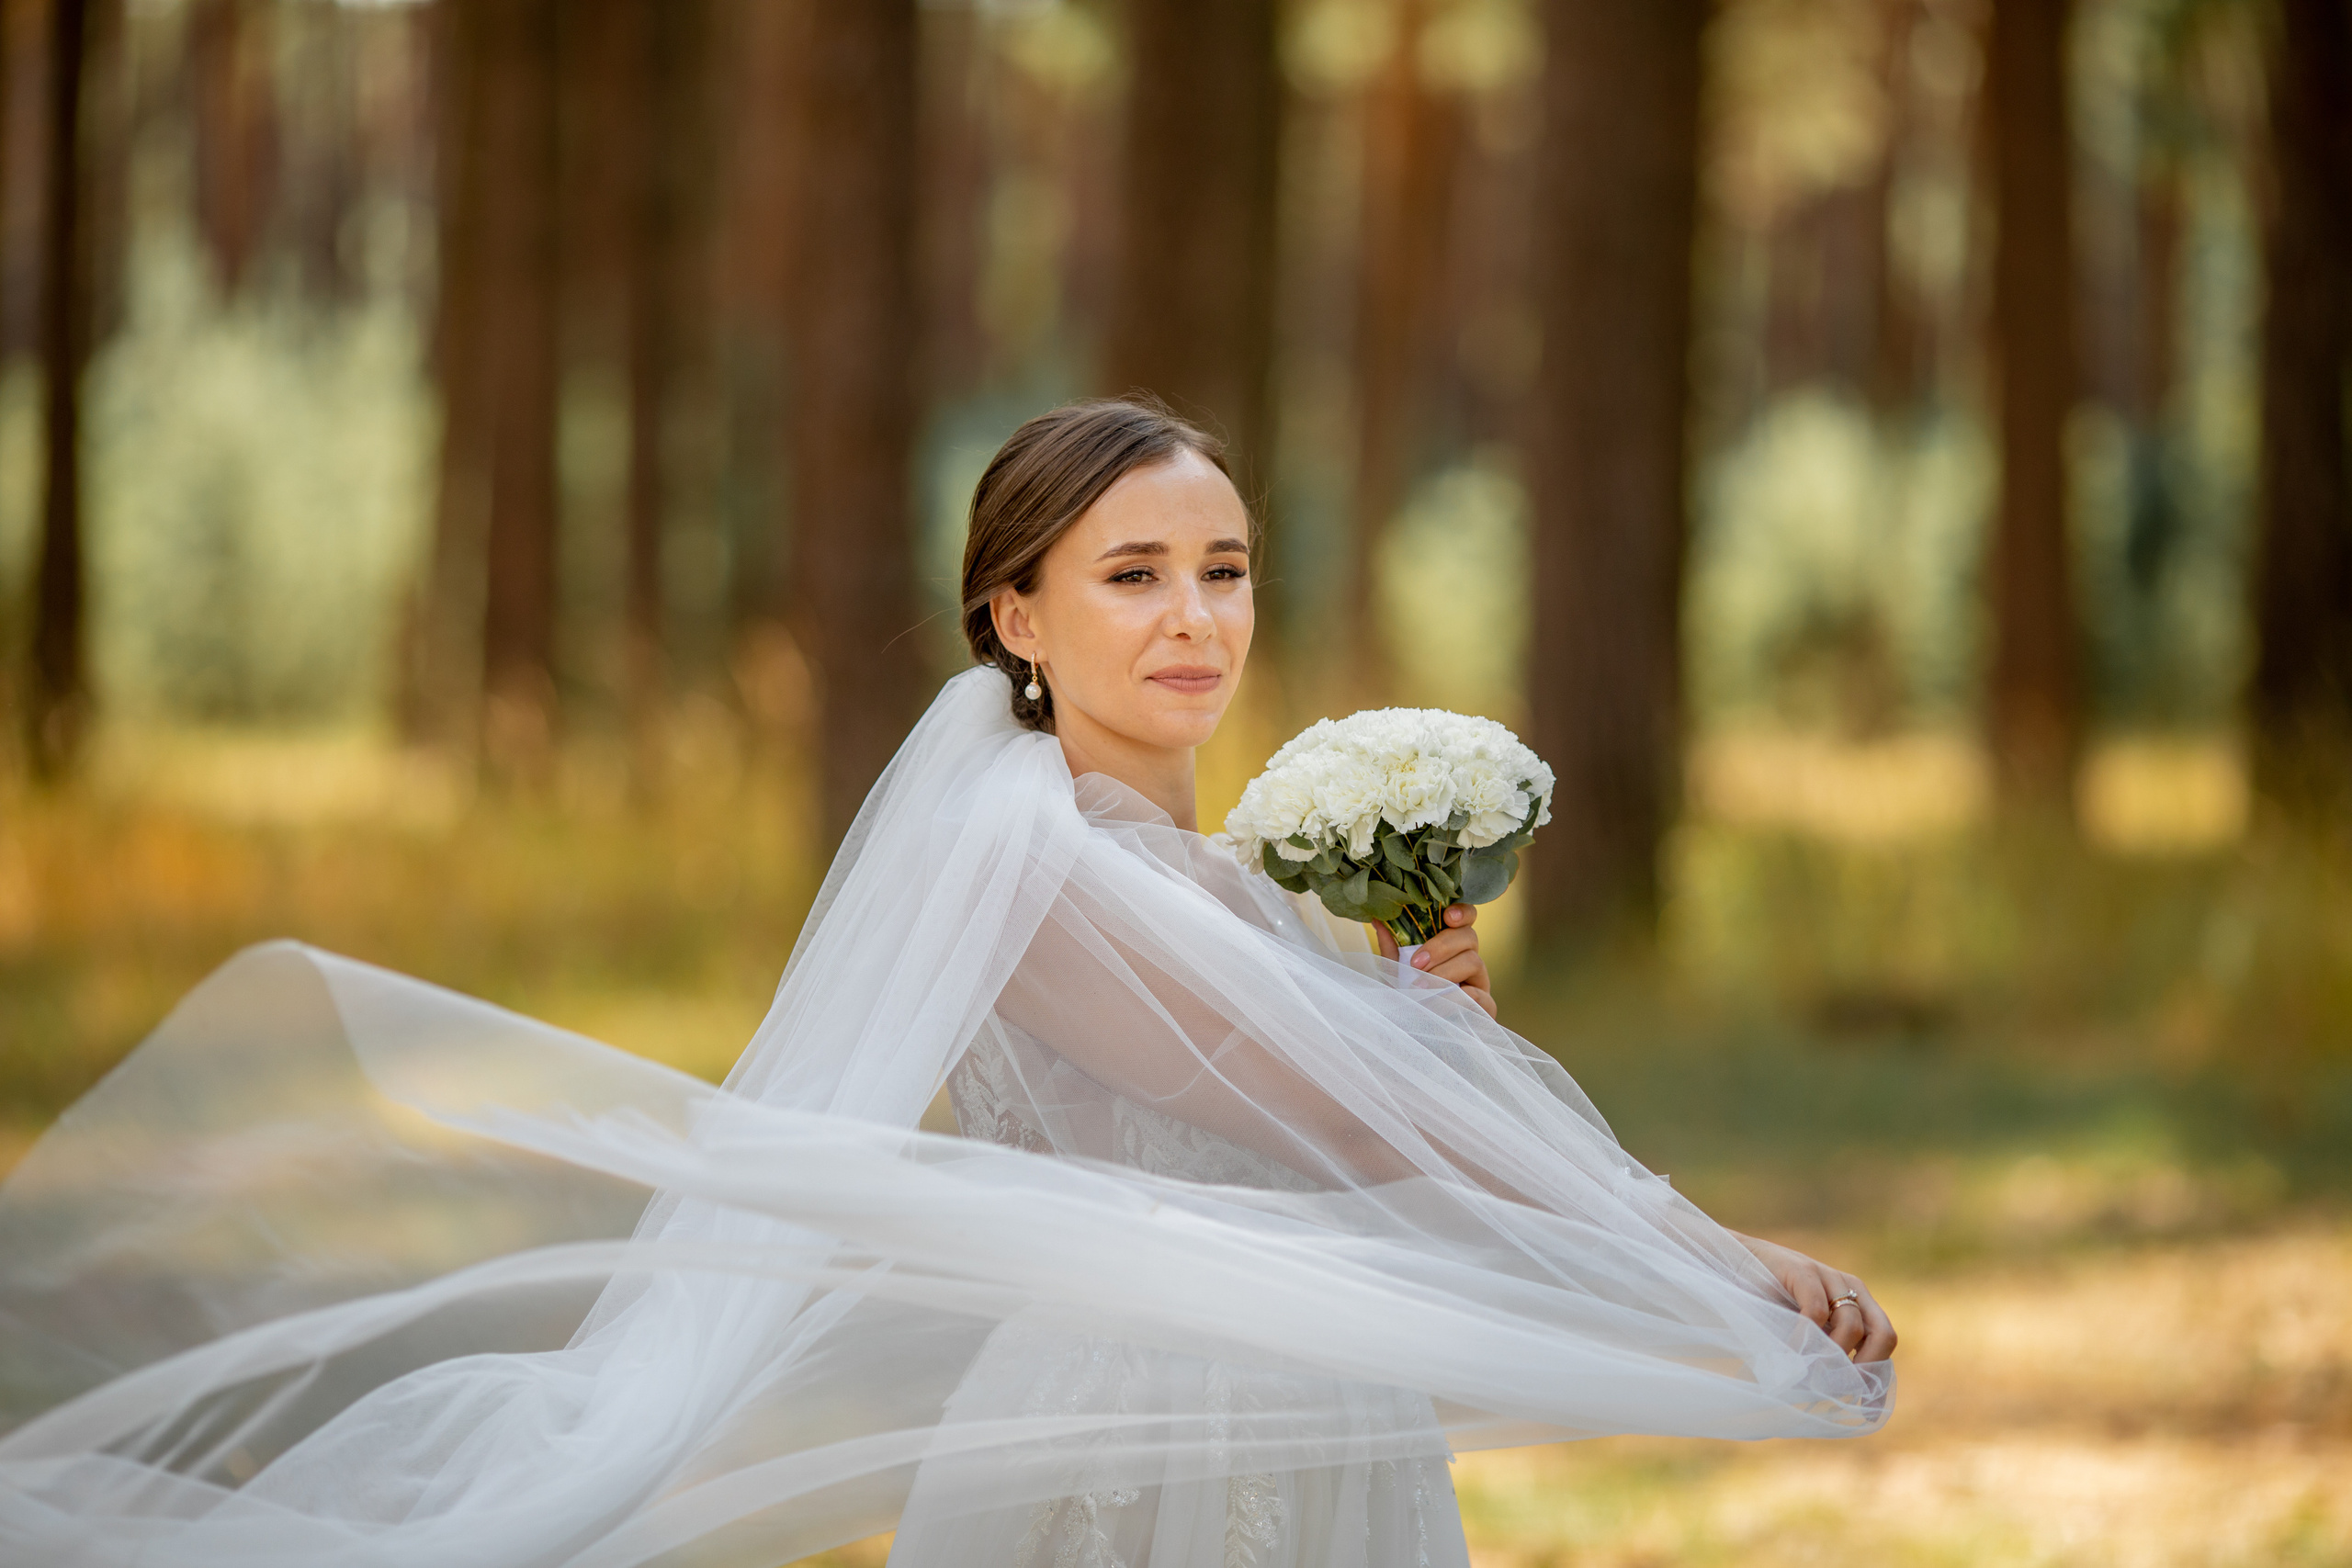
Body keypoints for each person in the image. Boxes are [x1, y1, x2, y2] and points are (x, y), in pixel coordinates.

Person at [0, 397, 1892, 1568]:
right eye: (1130, 572)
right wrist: (1707, 1254)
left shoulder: (1220, 877)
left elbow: (1372, 1125)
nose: (1192, 618)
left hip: (1319, 1400)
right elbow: (1325, 1119)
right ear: (1014, 611)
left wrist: (1425, 1009)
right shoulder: (1041, 874)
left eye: (1221, 571)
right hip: (1140, 1427)